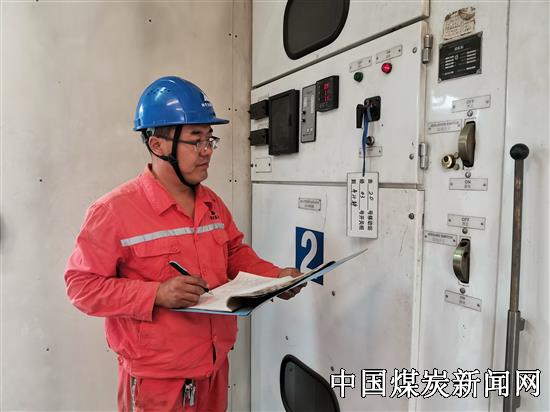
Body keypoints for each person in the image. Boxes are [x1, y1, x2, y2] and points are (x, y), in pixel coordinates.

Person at [65, 76, 304, 412]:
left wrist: (275, 277)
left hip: (213, 370)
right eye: (195, 140)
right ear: (157, 144)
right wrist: (157, 294)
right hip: (157, 384)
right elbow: (81, 287)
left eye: (210, 139)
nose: (207, 151)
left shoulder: (211, 203)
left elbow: (234, 253)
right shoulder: (113, 211)